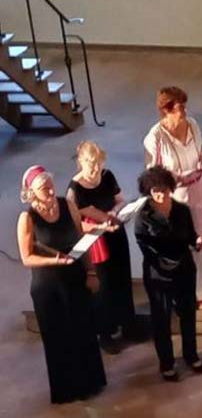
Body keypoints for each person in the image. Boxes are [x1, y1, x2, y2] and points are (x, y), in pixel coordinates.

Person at [16, 166, 107, 403]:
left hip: (75, 276)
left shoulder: (67, 205)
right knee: (58, 338)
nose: (49, 189)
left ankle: (91, 383)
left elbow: (80, 240)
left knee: (83, 330)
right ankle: (67, 390)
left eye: (50, 184)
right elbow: (26, 257)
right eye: (42, 187)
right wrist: (54, 260)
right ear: (31, 192)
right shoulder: (27, 218)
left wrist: (91, 272)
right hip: (48, 285)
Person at [134, 166, 202, 381]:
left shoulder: (182, 210)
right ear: (148, 191)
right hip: (159, 275)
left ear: (170, 189)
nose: (160, 194)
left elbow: (191, 237)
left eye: (164, 190)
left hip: (184, 270)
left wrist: (198, 242)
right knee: (162, 320)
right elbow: (147, 250)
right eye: (155, 191)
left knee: (188, 314)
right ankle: (167, 363)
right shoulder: (143, 217)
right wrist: (169, 264)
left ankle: (191, 355)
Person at [144, 86, 202, 309]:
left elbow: (201, 150)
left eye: (184, 105)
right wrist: (175, 178)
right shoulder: (154, 137)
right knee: (181, 243)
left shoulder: (192, 124)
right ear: (166, 110)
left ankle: (201, 293)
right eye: (178, 107)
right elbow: (152, 174)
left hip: (198, 188)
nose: (183, 110)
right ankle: (182, 292)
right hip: (176, 196)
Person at [67, 141, 139, 355]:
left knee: (121, 277)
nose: (95, 168)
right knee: (104, 284)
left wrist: (115, 213)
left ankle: (126, 324)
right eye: (91, 163)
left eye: (98, 163)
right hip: (96, 241)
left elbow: (119, 200)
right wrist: (98, 225)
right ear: (80, 162)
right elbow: (75, 223)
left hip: (114, 232)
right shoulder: (75, 188)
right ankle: (105, 333)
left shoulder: (107, 176)